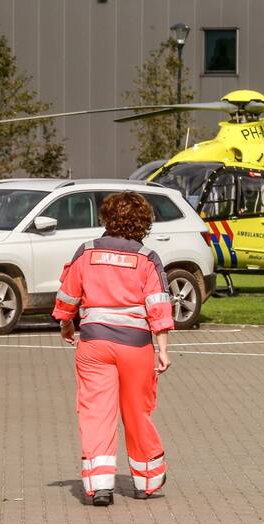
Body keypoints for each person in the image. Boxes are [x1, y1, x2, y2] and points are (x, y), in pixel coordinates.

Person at [52, 192, 174, 506]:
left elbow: (68, 293)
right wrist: (162, 348)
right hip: (135, 347)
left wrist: (66, 324)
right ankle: (146, 481)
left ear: (107, 218)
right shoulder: (147, 258)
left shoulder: (87, 251)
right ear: (143, 222)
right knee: (137, 412)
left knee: (95, 412)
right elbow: (158, 304)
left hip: (94, 344)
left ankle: (100, 484)